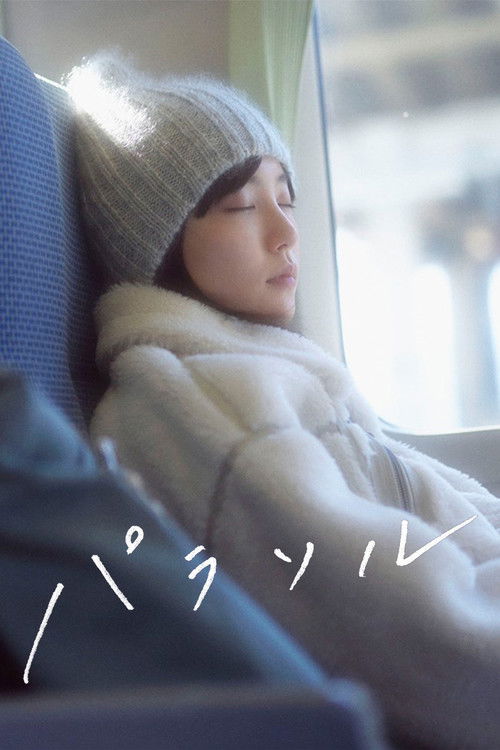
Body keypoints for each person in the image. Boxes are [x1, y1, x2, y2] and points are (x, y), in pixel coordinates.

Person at [67, 54, 500, 750]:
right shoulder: (206, 410)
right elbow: (427, 642)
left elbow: (445, 507)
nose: (286, 232)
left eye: (287, 198)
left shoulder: (274, 370)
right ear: (162, 242)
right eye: (242, 206)